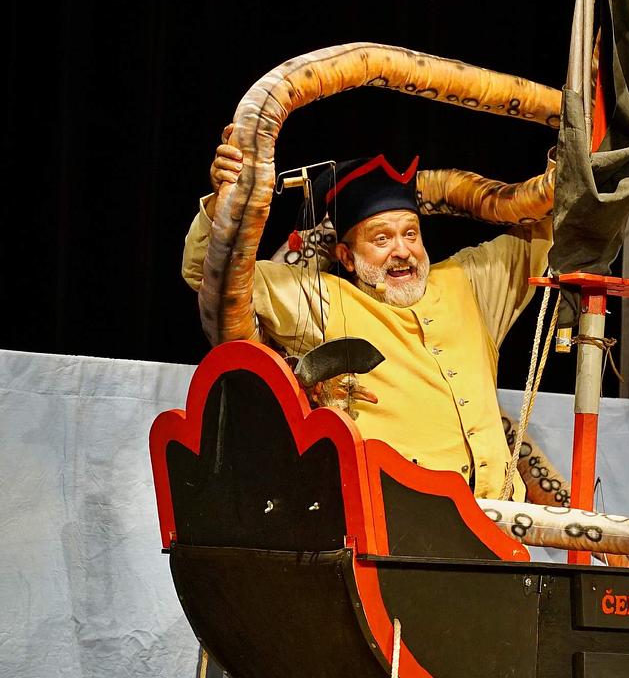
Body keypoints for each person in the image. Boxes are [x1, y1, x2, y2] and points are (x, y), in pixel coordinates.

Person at [182, 132, 551, 501]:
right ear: (346, 257)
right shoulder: (324, 299)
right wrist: (223, 204)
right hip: (398, 516)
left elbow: (552, 218)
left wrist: (572, 137)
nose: (402, 251)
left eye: (411, 234)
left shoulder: (469, 281)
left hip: (499, 516)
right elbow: (209, 275)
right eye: (381, 239)